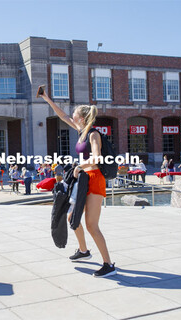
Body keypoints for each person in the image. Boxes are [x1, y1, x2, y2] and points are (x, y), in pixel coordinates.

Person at [40, 90, 116, 278]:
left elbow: (97, 159)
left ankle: (108, 264)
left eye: (74, 114)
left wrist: (79, 166)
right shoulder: (81, 130)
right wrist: (47, 98)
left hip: (95, 179)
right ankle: (84, 251)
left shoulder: (93, 135)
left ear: (81, 117)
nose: (71, 115)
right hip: (83, 180)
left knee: (91, 225)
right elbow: (62, 114)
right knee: (72, 218)